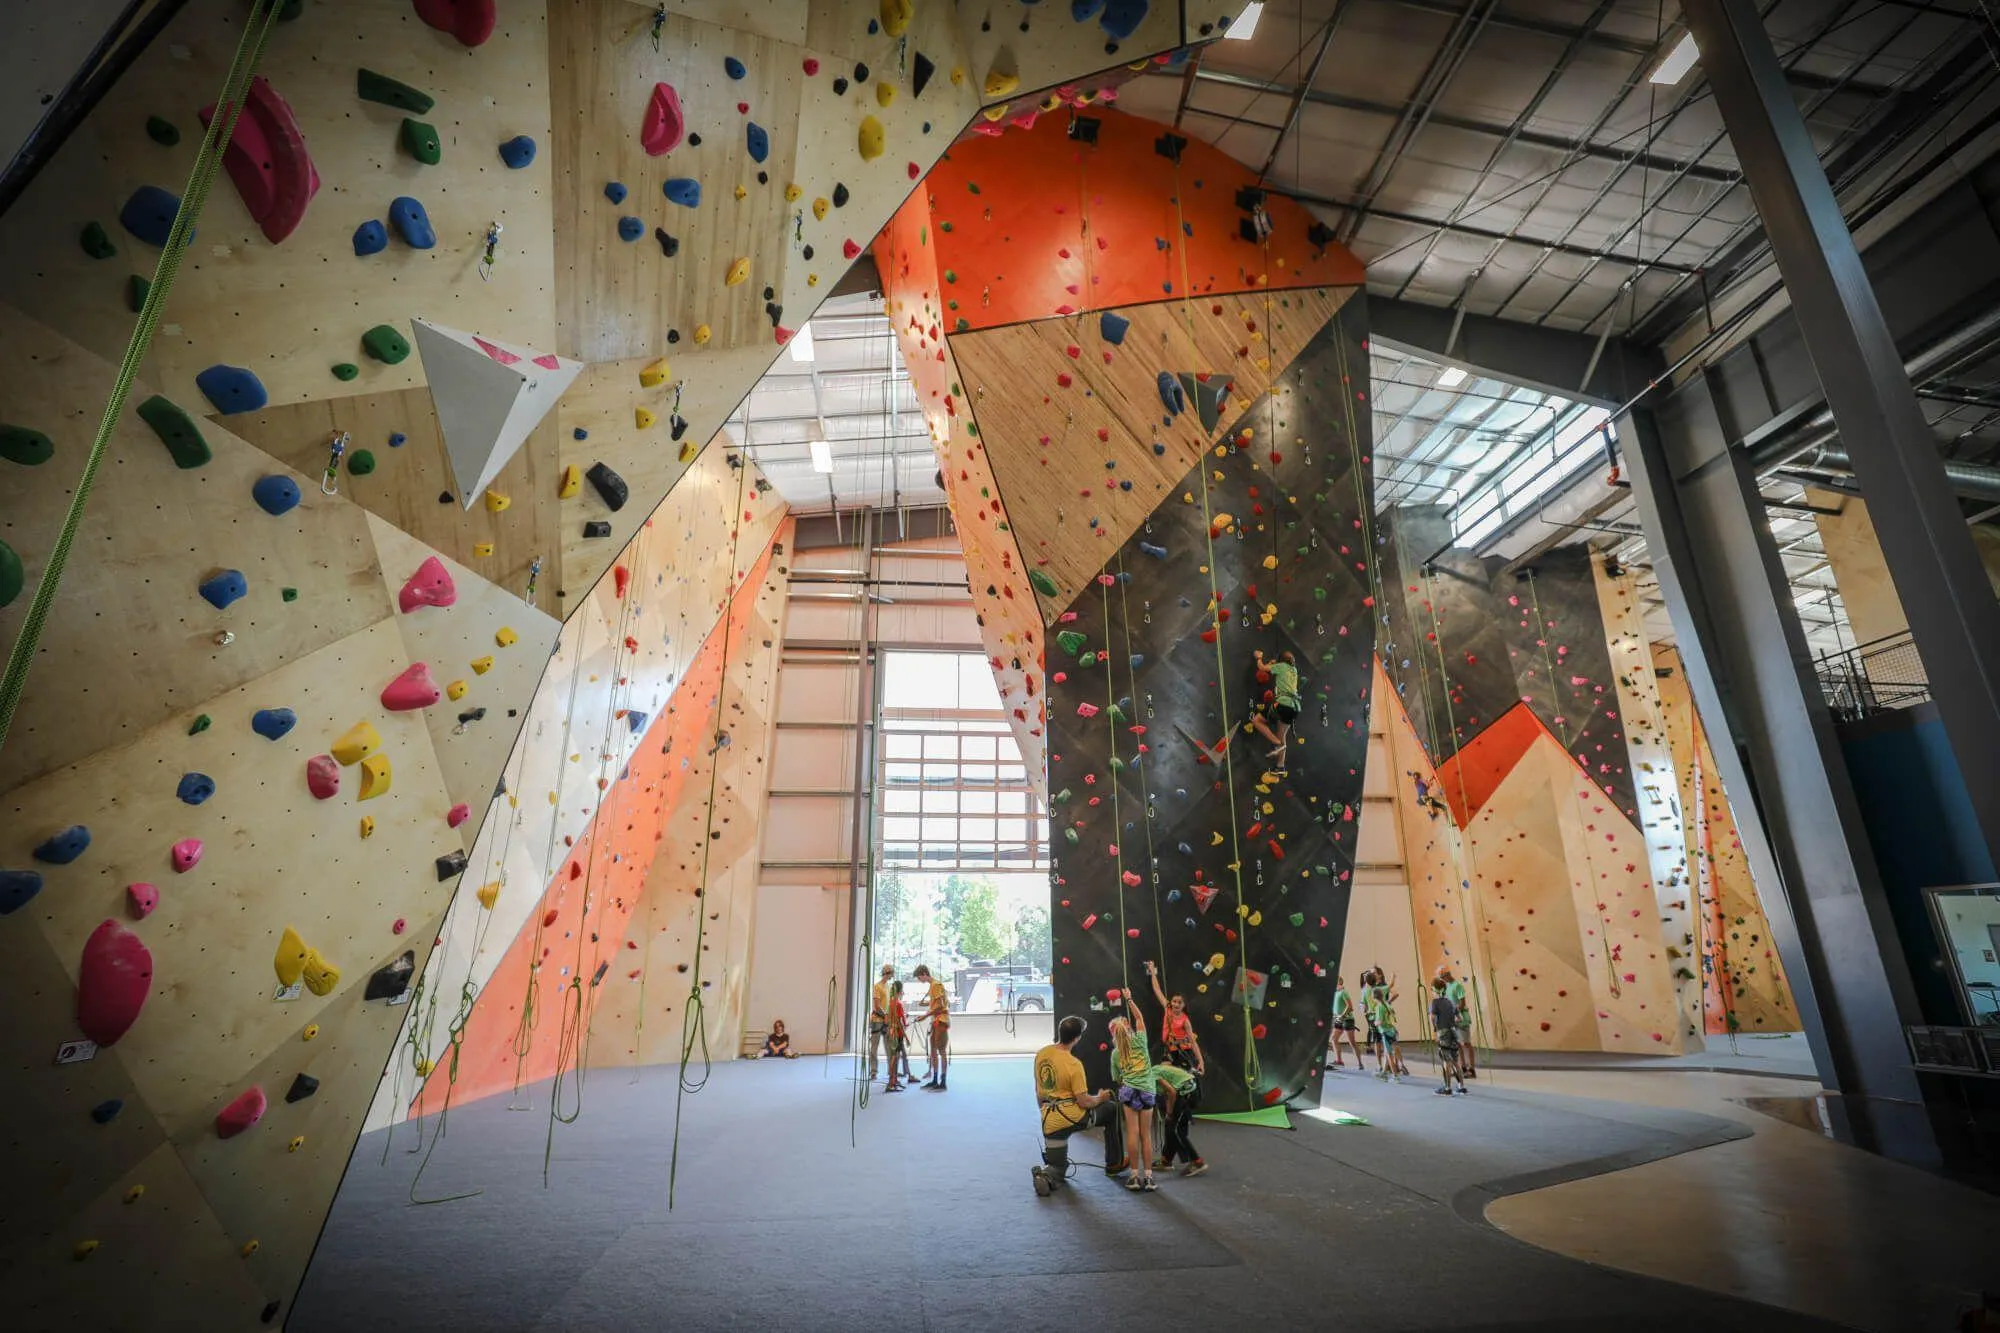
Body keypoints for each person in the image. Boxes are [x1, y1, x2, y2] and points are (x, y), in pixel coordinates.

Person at [1031, 1015, 1114, 1196]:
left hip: (1049, 1122)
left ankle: (1045, 1175)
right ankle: (1115, 1163)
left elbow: (1038, 1093)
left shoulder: (1041, 1054)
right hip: (1072, 1118)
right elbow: (1084, 1102)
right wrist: (1101, 1098)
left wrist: (1045, 1115)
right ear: (1077, 1038)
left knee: (1058, 1167)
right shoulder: (1074, 1064)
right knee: (1111, 1109)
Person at [1109, 993, 1159, 1192]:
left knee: (1132, 1132)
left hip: (1129, 1092)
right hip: (1147, 1091)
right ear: (1128, 1027)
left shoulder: (1115, 1053)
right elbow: (1139, 1018)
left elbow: (1117, 1078)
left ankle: (1134, 1176)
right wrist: (1129, 998)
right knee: (1145, 1135)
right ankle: (1148, 1177)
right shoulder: (1140, 1040)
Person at [1145, 959, 1205, 1074]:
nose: (1176, 1004)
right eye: (1174, 1001)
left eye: (1179, 1002)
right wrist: (1152, 972)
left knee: (1178, 1076)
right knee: (1162, 1073)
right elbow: (1157, 990)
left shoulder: (1185, 1020)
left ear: (1184, 1005)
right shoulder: (1167, 1008)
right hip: (1170, 1050)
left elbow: (1193, 1042)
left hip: (1183, 1051)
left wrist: (1201, 1062)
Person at [1151, 1059, 1206, 1176]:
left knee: (1175, 1131)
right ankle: (1166, 1160)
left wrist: (1170, 1113)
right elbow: (1167, 1066)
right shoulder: (1156, 1069)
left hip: (1186, 1093)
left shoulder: (1152, 1074)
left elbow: (1171, 1092)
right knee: (1170, 1127)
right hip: (1184, 1090)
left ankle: (1197, 1162)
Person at [1248, 648, 1302, 765]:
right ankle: (1280, 767)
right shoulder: (1294, 670)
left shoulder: (1281, 666)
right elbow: (1280, 672)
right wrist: (1274, 664)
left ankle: (1277, 744)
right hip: (1294, 708)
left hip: (1283, 705)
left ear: (1281, 661)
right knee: (1281, 736)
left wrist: (1258, 658)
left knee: (1257, 721)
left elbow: (1262, 668)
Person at [913, 964, 951, 1090]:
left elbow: (940, 1006)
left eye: (919, 978)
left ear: (924, 974)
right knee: (934, 1050)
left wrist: (924, 1016)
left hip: (941, 1020)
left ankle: (943, 1081)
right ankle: (935, 1079)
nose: (919, 981)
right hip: (936, 1021)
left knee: (941, 1050)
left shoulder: (935, 985)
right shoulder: (933, 986)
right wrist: (927, 1004)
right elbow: (937, 1003)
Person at [1368, 970, 1408, 1082]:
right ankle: (1384, 1073)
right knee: (1388, 1052)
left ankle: (1395, 1076)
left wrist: (1375, 1022)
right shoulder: (1387, 1004)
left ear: (1374, 997)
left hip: (1385, 1032)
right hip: (1392, 1030)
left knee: (1389, 1054)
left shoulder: (1379, 1007)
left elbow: (1379, 1021)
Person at [1430, 979, 1468, 1096]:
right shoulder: (1451, 1002)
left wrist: (1435, 1029)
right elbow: (1459, 1018)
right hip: (1453, 1033)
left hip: (1443, 1033)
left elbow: (1432, 1017)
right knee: (1455, 1060)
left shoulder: (1435, 1002)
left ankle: (1447, 1088)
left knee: (1446, 1061)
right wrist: (1452, 1021)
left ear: (1435, 990)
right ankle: (1461, 1086)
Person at [1438, 966, 1476, 1078]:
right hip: (1453, 1019)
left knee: (1466, 1043)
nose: (1442, 979)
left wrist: (1455, 1012)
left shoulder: (1457, 985)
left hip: (1461, 1018)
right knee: (1458, 1044)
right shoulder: (1447, 987)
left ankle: (1472, 1069)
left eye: (1442, 977)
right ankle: (1462, 1066)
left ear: (1447, 974)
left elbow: (1462, 1003)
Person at [1329, 974, 1365, 1070]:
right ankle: (1339, 1061)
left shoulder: (1344, 992)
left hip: (1347, 1020)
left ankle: (1360, 1063)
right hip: (1339, 1020)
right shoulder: (1336, 993)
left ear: (1339, 982)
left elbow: (1350, 1007)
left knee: (1351, 1042)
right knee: (1334, 1039)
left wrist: (1342, 1016)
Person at [866, 963, 894, 1081]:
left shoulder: (888, 987)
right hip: (877, 1020)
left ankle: (891, 1070)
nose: (892, 975)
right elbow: (877, 1006)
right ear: (887, 973)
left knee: (889, 1047)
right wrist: (885, 1015)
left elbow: (889, 1003)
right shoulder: (877, 987)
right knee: (874, 1047)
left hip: (886, 1020)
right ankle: (873, 1071)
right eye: (891, 973)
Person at [883, 981, 910, 1092]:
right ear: (900, 990)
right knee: (895, 1058)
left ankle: (893, 1080)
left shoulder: (891, 1003)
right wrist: (906, 1037)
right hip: (897, 1034)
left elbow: (888, 1019)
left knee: (894, 1057)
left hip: (891, 1032)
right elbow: (899, 1022)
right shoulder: (898, 1004)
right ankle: (891, 1083)